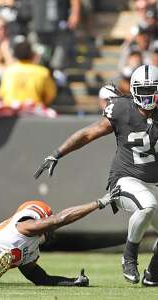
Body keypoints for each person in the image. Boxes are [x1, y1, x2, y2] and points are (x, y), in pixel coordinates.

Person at [35, 64, 158, 286]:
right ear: (133, 89)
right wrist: (57, 153)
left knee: (149, 203)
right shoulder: (122, 109)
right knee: (147, 205)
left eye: (152, 89)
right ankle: (129, 257)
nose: (148, 95)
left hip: (154, 183)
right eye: (144, 89)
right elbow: (88, 134)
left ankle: (153, 275)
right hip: (125, 180)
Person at [0, 38, 57, 107]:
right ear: (32, 54)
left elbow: (1, 95)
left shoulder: (8, 71)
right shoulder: (42, 72)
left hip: (11, 112)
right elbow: (51, 95)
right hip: (35, 113)